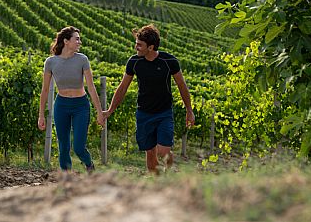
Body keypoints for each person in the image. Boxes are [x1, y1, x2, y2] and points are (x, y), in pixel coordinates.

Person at [102, 24, 195, 174]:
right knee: (150, 155)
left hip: (164, 113)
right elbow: (123, 87)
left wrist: (189, 110)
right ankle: (157, 185)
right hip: (144, 114)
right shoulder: (134, 62)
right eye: (136, 43)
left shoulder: (169, 61)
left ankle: (168, 172)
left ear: (151, 47)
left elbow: (182, 86)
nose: (136, 47)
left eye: (139, 45)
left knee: (163, 151)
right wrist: (110, 110)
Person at [38, 26, 104, 172]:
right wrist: (41, 115)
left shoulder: (82, 60)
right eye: (77, 39)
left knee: (79, 147)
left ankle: (89, 164)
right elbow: (44, 90)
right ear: (66, 41)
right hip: (61, 105)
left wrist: (100, 112)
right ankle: (66, 177)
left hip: (81, 105)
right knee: (63, 146)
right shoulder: (50, 62)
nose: (80, 42)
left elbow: (91, 88)